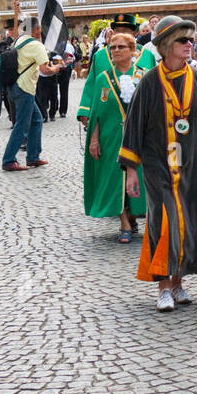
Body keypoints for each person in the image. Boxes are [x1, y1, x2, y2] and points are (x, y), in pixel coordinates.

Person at [119, 16, 197, 312]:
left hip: (193, 166)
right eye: (182, 41)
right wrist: (131, 171)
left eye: (190, 40)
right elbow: (133, 127)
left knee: (190, 221)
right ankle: (163, 286)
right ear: (167, 45)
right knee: (165, 220)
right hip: (159, 167)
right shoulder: (150, 83)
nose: (189, 45)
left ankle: (179, 282)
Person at [78, 31, 147, 243]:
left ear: (132, 51)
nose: (116, 51)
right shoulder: (103, 78)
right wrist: (94, 139)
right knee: (114, 178)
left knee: (141, 179)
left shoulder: (145, 75)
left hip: (140, 137)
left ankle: (134, 213)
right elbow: (97, 111)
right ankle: (124, 223)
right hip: (111, 136)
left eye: (121, 47)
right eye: (112, 48)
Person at [1, 19, 64, 171]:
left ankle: (33, 157)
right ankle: (8, 160)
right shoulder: (36, 45)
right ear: (36, 29)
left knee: (36, 120)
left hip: (14, 86)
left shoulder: (19, 41)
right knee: (22, 125)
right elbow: (45, 70)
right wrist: (56, 68)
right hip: (25, 88)